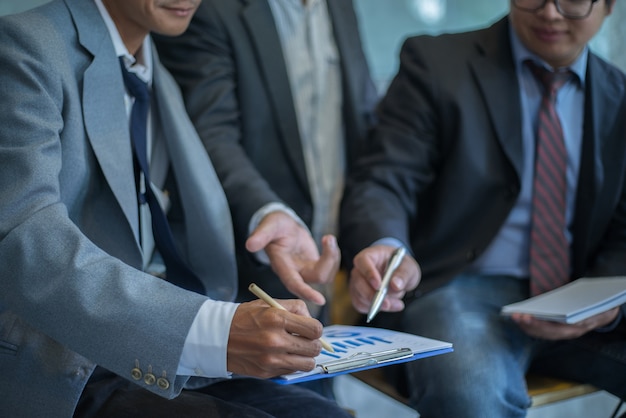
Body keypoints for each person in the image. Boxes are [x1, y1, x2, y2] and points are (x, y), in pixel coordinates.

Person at [0, 0, 353, 416]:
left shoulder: (152, 65)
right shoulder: (24, 45)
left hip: (143, 351)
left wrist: (268, 220)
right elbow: (23, 235)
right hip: (55, 364)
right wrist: (212, 331)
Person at [340, 0, 626, 416]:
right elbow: (385, 177)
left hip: (576, 295)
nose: (549, 13)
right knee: (470, 392)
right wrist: (387, 245)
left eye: (573, 0)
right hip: (459, 287)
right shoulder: (437, 64)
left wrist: (606, 305)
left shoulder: (619, 97)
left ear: (609, 6)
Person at [152, 0, 378, 315]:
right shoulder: (203, 8)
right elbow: (210, 135)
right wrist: (266, 212)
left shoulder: (340, 7)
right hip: (245, 278)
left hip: (325, 260)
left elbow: (361, 122)